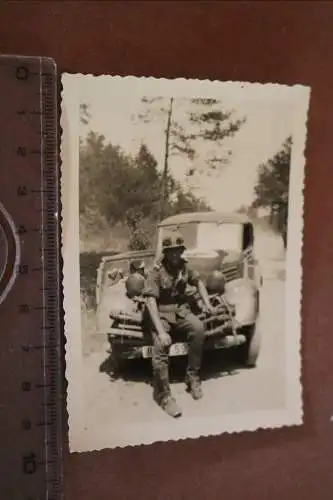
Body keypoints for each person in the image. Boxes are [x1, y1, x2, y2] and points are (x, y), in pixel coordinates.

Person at [142, 230, 214, 418]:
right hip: (161, 313)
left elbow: (199, 283)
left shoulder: (184, 266)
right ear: (165, 252)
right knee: (160, 348)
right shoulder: (156, 271)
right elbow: (150, 302)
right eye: (171, 251)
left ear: (182, 251)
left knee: (198, 329)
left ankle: (192, 376)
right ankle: (164, 395)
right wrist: (161, 332)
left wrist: (207, 305)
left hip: (181, 311)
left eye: (178, 250)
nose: (175, 254)